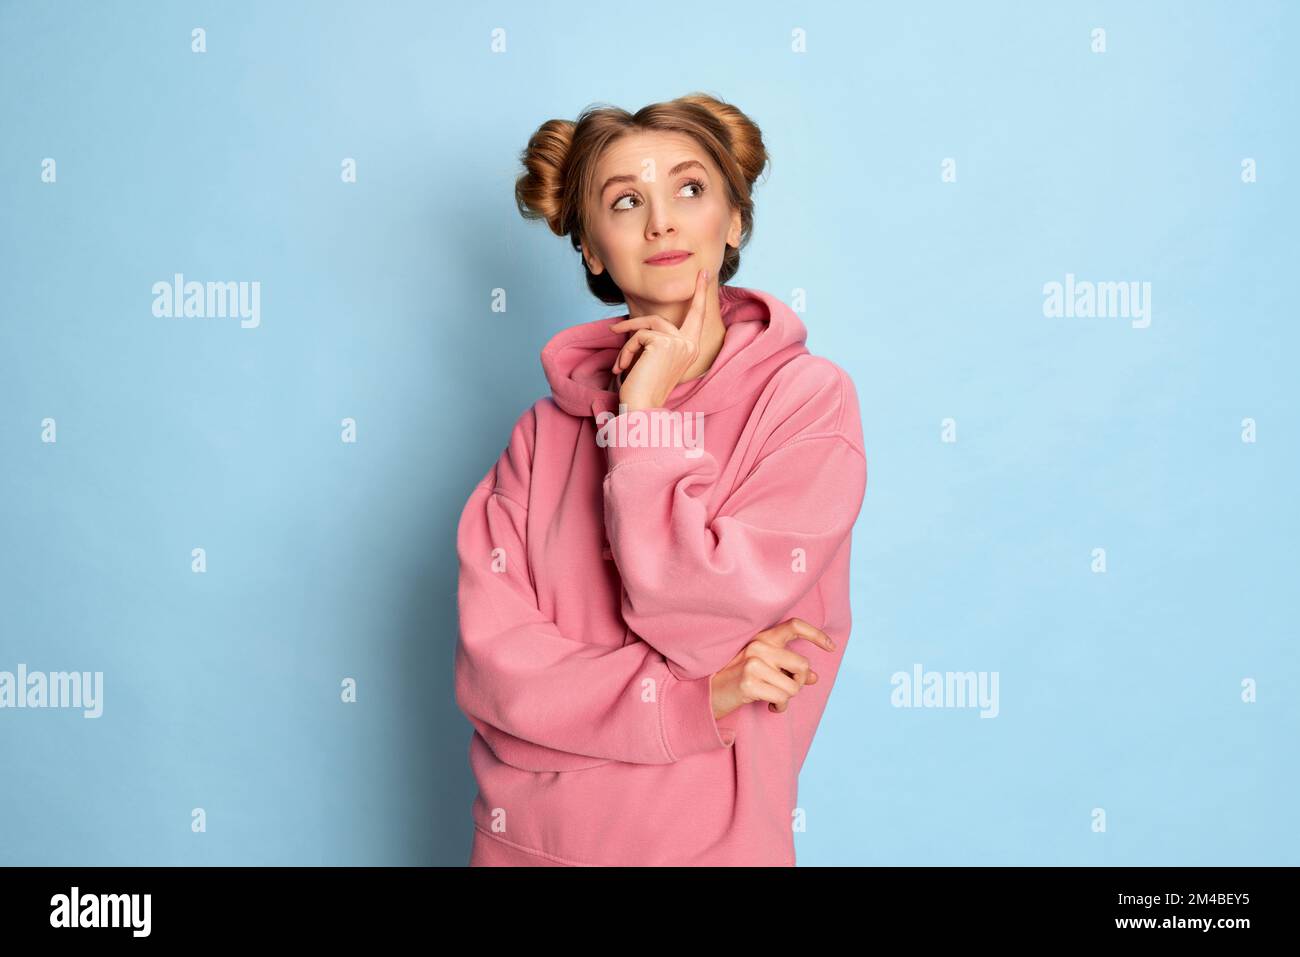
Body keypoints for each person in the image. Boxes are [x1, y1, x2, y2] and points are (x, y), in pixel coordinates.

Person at [454, 92, 868, 866]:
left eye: (689, 189)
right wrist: (693, 699)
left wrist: (640, 422)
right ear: (592, 251)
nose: (662, 222)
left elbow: (697, 617)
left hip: (712, 848)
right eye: (625, 202)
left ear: (734, 220)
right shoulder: (540, 437)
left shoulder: (807, 405)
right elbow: (496, 677)